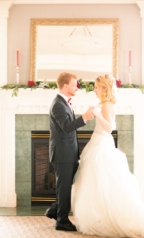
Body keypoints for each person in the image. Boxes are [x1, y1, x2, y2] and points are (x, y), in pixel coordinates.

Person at [71, 74, 144, 237]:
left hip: (102, 145)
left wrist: (97, 114)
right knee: (96, 182)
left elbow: (109, 128)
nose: (94, 90)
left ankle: (103, 217)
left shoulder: (106, 104)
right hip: (98, 142)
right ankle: (98, 215)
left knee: (103, 181)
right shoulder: (104, 103)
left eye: (97, 87)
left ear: (104, 88)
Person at [45, 72, 94, 232]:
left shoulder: (64, 102)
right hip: (62, 153)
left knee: (66, 186)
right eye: (74, 84)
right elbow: (66, 126)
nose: (77, 87)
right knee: (64, 187)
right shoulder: (58, 104)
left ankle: (55, 210)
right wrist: (84, 118)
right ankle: (62, 220)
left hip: (68, 152)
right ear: (65, 86)